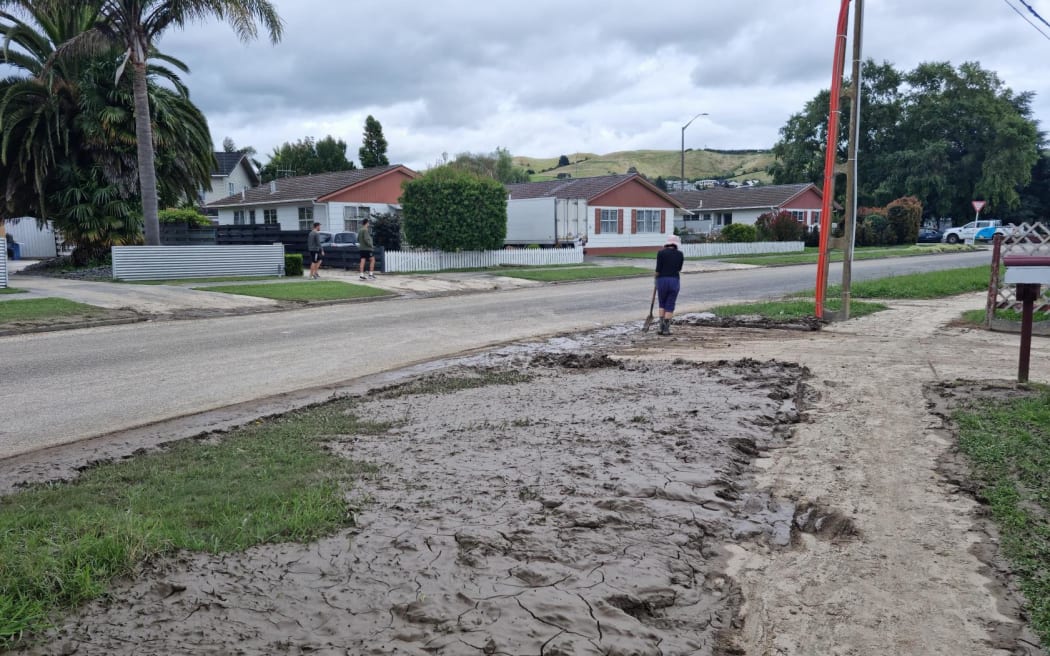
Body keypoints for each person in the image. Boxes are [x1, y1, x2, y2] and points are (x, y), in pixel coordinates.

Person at [655, 234, 684, 335]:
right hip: (674, 280)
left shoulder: (661, 253)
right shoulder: (680, 254)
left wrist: (656, 278)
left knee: (662, 303)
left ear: (667, 243)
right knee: (670, 304)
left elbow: (658, 269)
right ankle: (666, 329)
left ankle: (660, 328)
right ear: (676, 244)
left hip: (662, 280)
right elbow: (679, 269)